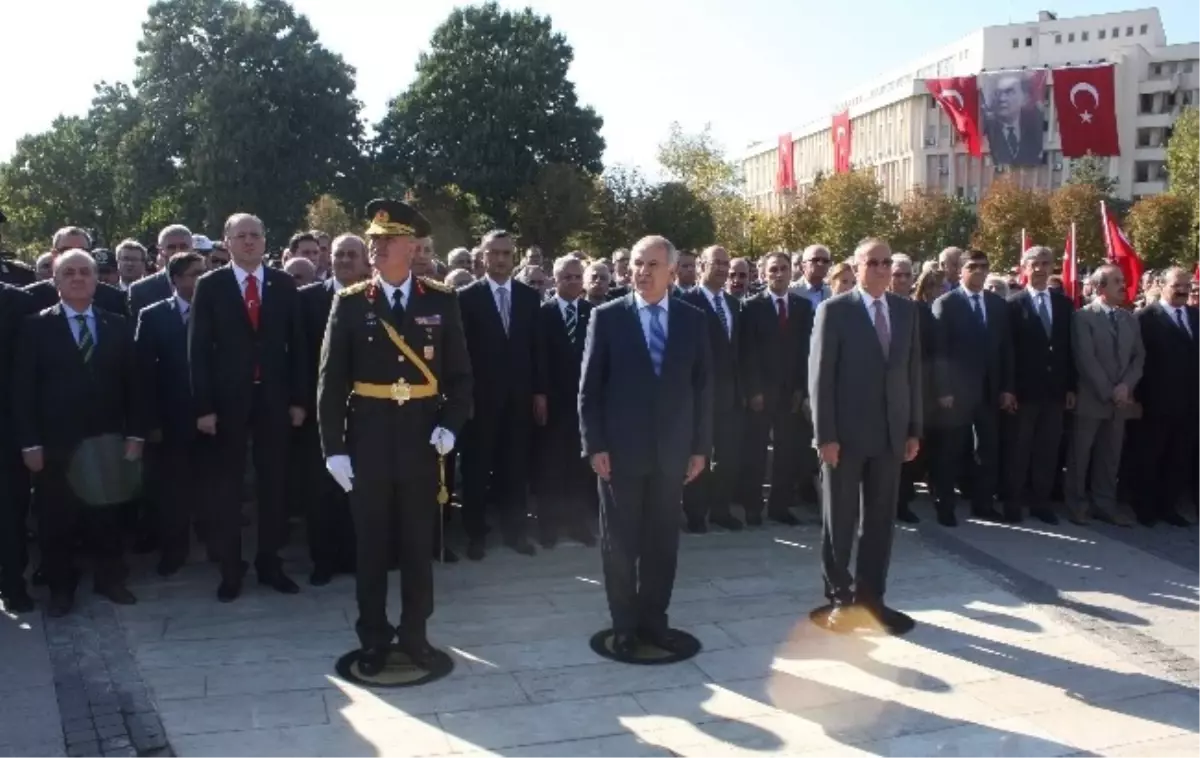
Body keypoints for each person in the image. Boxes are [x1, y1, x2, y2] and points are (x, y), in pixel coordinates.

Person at [317, 198, 472, 676]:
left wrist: (450, 423)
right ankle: (373, 636)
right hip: (368, 443)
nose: (376, 248)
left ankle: (415, 634)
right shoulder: (349, 301)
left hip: (422, 442)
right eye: (373, 241)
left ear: (412, 246)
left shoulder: (440, 299)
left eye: (386, 241)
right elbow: (330, 382)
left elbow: (462, 377)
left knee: (416, 546)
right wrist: (334, 449)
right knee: (371, 548)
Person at [579, 235, 712, 656]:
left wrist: (700, 447)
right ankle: (623, 625)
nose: (642, 271)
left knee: (661, 544)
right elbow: (589, 390)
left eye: (652, 264)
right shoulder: (608, 317)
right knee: (620, 544)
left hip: (672, 454)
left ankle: (655, 621)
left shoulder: (693, 319)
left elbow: (704, 389)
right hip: (619, 453)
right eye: (637, 263)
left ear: (672, 271)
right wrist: (594, 443)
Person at [13, 250, 145, 617]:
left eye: (84, 272)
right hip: (56, 445)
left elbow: (135, 387)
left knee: (107, 517)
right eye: (68, 272)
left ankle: (110, 579)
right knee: (57, 520)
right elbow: (22, 392)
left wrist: (135, 435)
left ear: (96, 279)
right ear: (54, 281)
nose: (77, 278)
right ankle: (60, 588)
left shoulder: (117, 324)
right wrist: (30, 443)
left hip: (107, 442)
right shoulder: (35, 327)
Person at [188, 213, 308, 602]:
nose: (250, 242)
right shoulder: (211, 285)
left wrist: (298, 400)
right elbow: (198, 352)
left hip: (274, 400)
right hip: (227, 403)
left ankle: (270, 562)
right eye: (241, 236)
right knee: (228, 488)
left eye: (256, 235)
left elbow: (300, 348)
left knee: (274, 484)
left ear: (265, 240)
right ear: (227, 242)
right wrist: (203, 407)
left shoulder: (285, 284)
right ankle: (230, 569)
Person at [809, 238, 921, 635]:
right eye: (872, 262)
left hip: (891, 435)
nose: (880, 269)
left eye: (886, 262)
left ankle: (873, 598)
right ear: (856, 267)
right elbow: (820, 378)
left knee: (879, 522)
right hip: (846, 437)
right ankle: (840, 597)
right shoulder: (834, 311)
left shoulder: (907, 311)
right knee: (839, 520)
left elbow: (912, 373)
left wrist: (913, 429)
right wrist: (825, 436)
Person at [456, 230, 541, 559]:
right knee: (477, 468)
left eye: (507, 253)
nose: (501, 259)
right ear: (483, 256)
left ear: (514, 256)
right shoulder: (465, 298)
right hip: (481, 400)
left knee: (515, 467)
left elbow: (536, 350)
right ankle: (476, 533)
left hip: (519, 399)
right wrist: (465, 396)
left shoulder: (528, 297)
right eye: (495, 253)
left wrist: (539, 392)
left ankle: (515, 532)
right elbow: (460, 354)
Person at [298, 234, 371, 583]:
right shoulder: (309, 298)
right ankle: (323, 561)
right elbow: (297, 355)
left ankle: (359, 556)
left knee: (363, 487)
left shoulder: (376, 297)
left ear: (364, 259)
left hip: (368, 411)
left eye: (352, 255)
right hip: (320, 409)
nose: (345, 261)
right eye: (339, 254)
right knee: (321, 489)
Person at [134, 252, 208, 576]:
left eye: (203, 273)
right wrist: (149, 423)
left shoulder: (219, 312)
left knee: (213, 487)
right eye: (193, 274)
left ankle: (218, 547)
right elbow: (142, 375)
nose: (199, 280)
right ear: (175, 279)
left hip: (212, 419)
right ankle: (174, 551)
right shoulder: (152, 316)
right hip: (170, 421)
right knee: (172, 492)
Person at [931, 249, 1014, 525]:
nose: (979, 271)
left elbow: (1006, 350)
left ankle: (983, 504)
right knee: (951, 451)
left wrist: (1007, 388)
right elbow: (939, 353)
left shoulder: (998, 304)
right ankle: (945, 505)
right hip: (956, 394)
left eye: (984, 266)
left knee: (988, 451)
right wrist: (943, 390)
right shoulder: (946, 304)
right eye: (973, 266)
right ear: (961, 271)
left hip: (989, 392)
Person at [1005, 246, 1076, 524]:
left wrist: (1071, 386)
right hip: (1023, 392)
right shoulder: (1013, 304)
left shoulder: (1063, 304)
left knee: (1047, 450)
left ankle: (1040, 502)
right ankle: (1013, 501)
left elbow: (1069, 349)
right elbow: (1007, 350)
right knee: (1019, 450)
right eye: (1035, 263)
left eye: (1046, 263)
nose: (1041, 268)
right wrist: (1008, 388)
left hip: (1055, 392)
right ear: (1024, 267)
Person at [1067, 265, 1141, 526]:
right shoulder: (1083, 317)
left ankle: (1104, 504)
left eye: (1123, 280)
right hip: (1092, 399)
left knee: (1110, 457)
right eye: (1117, 281)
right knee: (1080, 455)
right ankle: (1076, 504)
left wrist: (1126, 387)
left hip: (1120, 402)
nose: (1123, 286)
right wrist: (1110, 391)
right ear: (1100, 287)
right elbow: (1086, 359)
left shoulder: (1130, 318)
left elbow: (1138, 357)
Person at [532, 256, 596, 547]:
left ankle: (577, 523)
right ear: (554, 280)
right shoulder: (542, 314)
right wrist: (540, 393)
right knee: (550, 464)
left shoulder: (592, 312)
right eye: (566, 277)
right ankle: (548, 525)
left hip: (584, 401)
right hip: (552, 401)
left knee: (579, 465)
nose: (572, 281)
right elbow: (537, 357)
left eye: (576, 277)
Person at [680, 246, 744, 531]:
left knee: (728, 456)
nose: (721, 268)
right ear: (701, 265)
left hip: (730, 396)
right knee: (697, 454)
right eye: (716, 263)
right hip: (696, 396)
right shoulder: (684, 302)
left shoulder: (733, 304)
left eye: (725, 263)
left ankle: (720, 509)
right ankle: (695, 513)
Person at [0, 279, 36, 612]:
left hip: (7, 430)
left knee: (10, 513)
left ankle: (13, 583)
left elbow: (25, 377)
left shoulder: (17, 303)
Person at [129, 225, 192, 318]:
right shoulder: (141, 290)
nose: (178, 251)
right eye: (171, 247)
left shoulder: (208, 284)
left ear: (192, 248)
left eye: (183, 246)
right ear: (160, 251)